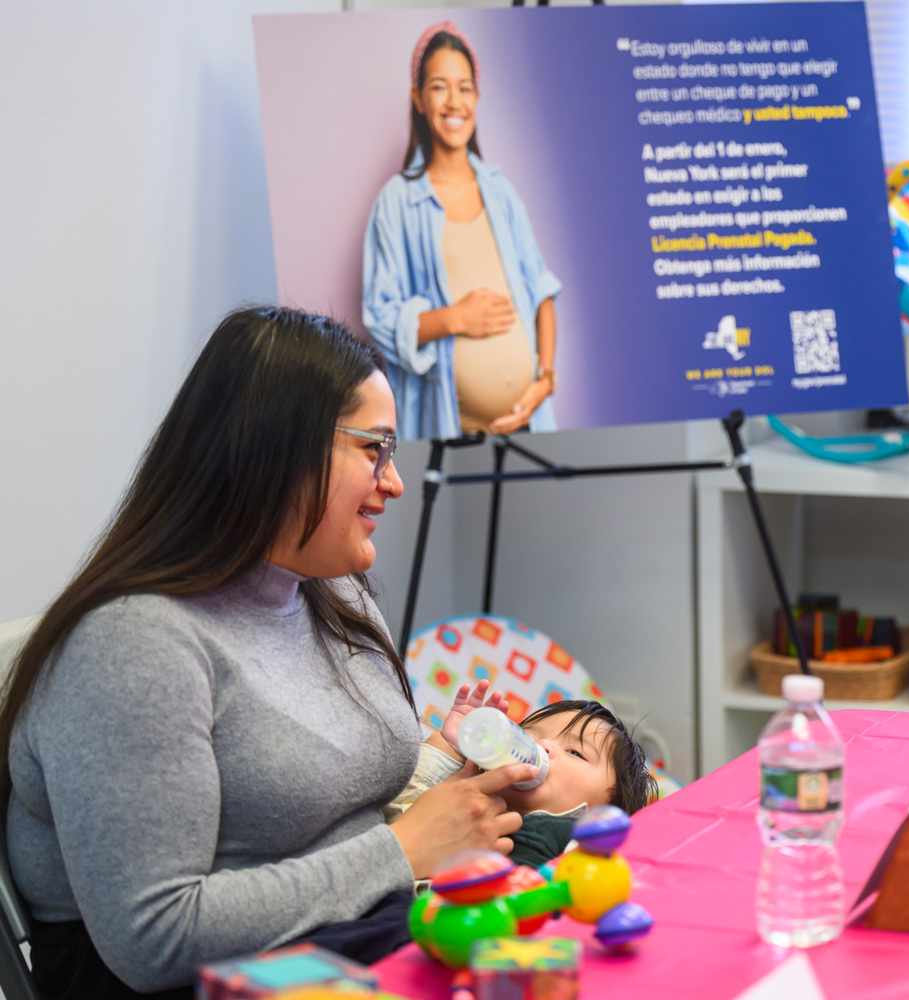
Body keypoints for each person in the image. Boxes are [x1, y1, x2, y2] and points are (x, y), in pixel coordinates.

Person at [3, 307, 537, 999]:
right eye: (373, 447)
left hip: (355, 935)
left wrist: (457, 793)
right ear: (275, 448)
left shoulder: (331, 591)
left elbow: (352, 818)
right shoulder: (131, 647)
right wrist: (402, 852)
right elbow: (155, 938)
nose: (394, 482)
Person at [363, 22, 561, 441]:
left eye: (465, 87)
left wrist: (543, 380)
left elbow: (541, 289)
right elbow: (379, 317)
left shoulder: (501, 191)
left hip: (531, 422)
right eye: (439, 86)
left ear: (477, 97)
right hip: (448, 432)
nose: (455, 101)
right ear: (418, 98)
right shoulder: (397, 201)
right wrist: (455, 318)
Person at [388, 683, 657, 869]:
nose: (543, 746)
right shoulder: (461, 802)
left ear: (607, 812)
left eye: (575, 752)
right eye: (529, 735)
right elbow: (399, 814)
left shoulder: (576, 843)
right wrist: (450, 749)